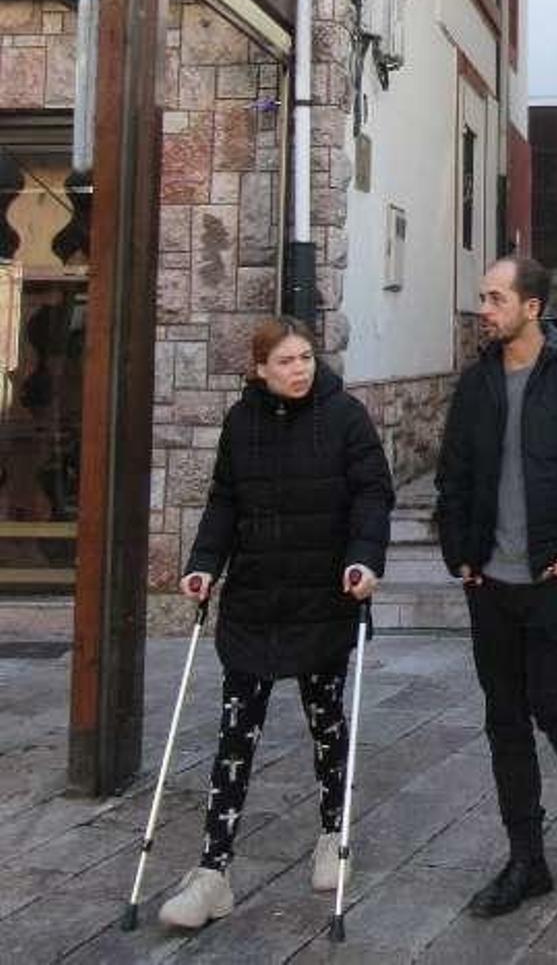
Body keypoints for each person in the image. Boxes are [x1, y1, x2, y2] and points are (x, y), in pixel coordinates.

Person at [158, 316, 395, 929]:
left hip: (322, 599)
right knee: (235, 737)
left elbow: (373, 493)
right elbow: (225, 500)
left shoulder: (344, 417)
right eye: (286, 361)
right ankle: (213, 872)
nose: (299, 369)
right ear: (260, 369)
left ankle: (332, 834)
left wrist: (364, 559)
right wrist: (204, 564)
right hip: (256, 605)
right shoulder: (242, 424)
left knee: (326, 724)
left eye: (306, 357)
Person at [435, 256, 557, 918]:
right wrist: (460, 552)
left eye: (495, 298)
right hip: (491, 582)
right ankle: (527, 860)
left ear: (531, 307)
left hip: (554, 580)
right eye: (483, 297)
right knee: (504, 720)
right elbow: (454, 474)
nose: (484, 308)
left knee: (556, 704)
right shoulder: (477, 384)